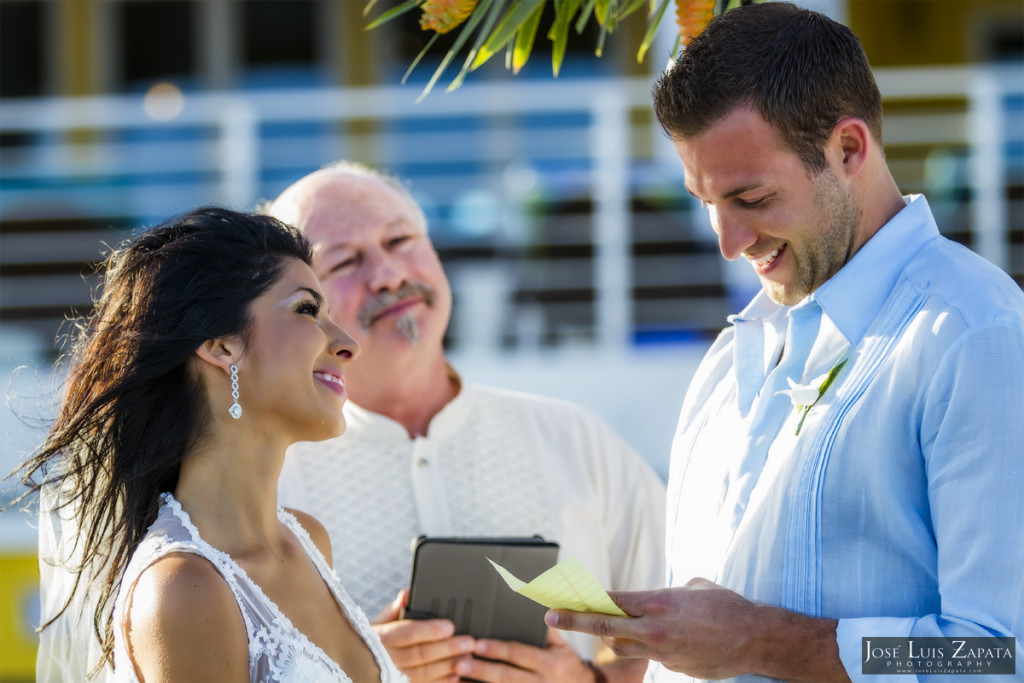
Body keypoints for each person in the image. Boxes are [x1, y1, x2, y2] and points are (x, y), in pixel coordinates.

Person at [545, 3, 1024, 682]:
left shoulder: (977, 337)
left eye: (752, 197)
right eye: (704, 201)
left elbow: (996, 653)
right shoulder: (727, 359)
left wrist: (762, 643)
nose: (727, 242)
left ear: (849, 149)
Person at [265, 161, 667, 683]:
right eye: (345, 262)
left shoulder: (574, 438)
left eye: (401, 240)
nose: (389, 274)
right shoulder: (269, 479)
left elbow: (675, 623)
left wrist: (589, 682)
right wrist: (349, 668)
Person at [16, 208, 407, 681]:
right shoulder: (182, 588)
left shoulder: (308, 541)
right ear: (220, 346)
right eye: (308, 310)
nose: (347, 344)